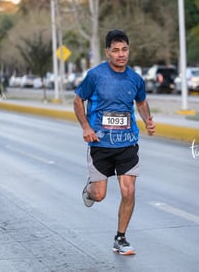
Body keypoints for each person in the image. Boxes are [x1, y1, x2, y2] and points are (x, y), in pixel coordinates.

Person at [73, 29, 155, 255]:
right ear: (107, 51)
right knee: (99, 195)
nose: (121, 54)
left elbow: (141, 102)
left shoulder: (135, 79)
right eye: (116, 50)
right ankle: (89, 190)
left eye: (125, 49)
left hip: (127, 143)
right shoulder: (96, 75)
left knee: (128, 192)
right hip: (100, 144)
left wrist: (148, 120)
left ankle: (120, 238)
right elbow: (78, 99)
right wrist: (86, 127)